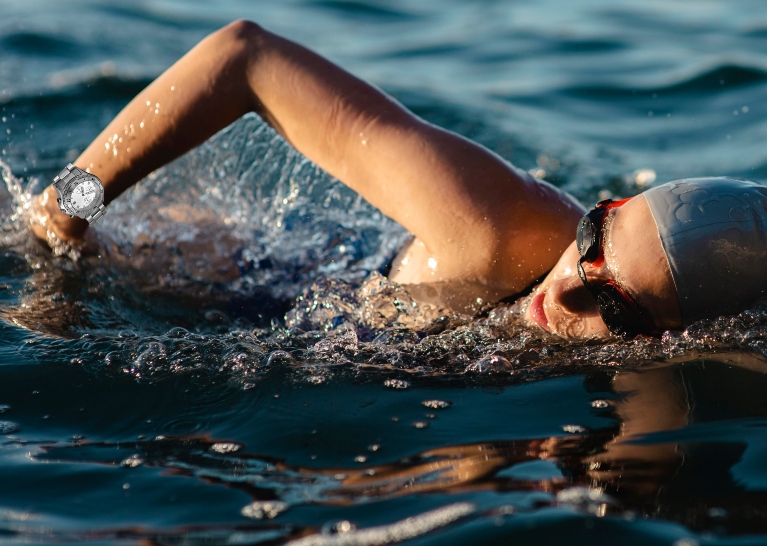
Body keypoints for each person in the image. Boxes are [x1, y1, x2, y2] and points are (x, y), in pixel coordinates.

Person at [27, 20, 767, 340]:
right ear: (607, 206)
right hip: (243, 276)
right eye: (592, 238)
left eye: (618, 310)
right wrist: (67, 211)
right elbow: (241, 57)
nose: (565, 289)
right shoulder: (495, 229)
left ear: (668, 339)